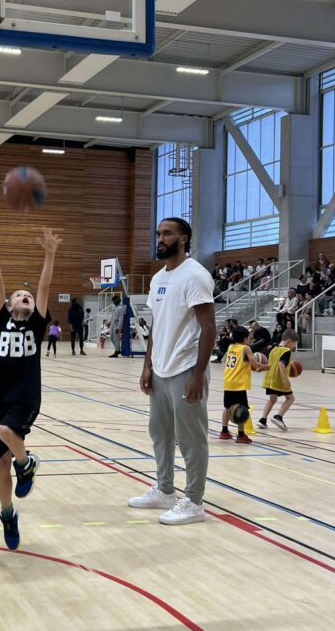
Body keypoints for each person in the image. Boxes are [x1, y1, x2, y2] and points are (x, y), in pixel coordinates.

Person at [0, 227, 60, 550]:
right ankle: (8, 514)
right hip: (1, 397)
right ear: (8, 306)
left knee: (6, 430)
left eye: (29, 296)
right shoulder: (0, 321)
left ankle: (26, 464)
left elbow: (44, 285)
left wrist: (50, 254)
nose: (26, 296)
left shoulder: (36, 324)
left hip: (26, 396)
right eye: (19, 295)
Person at [128, 217, 216, 526]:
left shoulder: (195, 276)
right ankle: (165, 490)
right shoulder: (158, 279)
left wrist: (198, 375)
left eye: (167, 233)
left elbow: (209, 328)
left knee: (191, 439)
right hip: (160, 369)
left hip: (186, 368)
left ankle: (194, 501)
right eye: (158, 233)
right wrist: (147, 364)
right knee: (160, 433)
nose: (161, 238)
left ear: (184, 238)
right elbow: (156, 325)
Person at [219, 325, 263, 444]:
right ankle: (241, 435)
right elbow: (255, 364)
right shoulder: (246, 348)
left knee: (227, 407)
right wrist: (266, 366)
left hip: (228, 382)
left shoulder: (231, 347)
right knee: (242, 409)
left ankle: (224, 431)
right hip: (239, 384)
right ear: (245, 338)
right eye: (248, 338)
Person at [257, 329, 299, 432]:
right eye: (294, 344)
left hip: (269, 378)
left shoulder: (273, 349)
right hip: (279, 379)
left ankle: (263, 420)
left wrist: (261, 369)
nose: (294, 347)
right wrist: (286, 379)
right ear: (288, 341)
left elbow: (270, 363)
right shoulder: (286, 351)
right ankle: (278, 417)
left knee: (272, 400)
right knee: (290, 398)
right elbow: (281, 364)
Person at [107, 294, 125, 358]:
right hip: (112, 324)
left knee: (116, 338)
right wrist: (110, 322)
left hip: (117, 325)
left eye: (114, 301)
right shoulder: (114, 307)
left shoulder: (120, 308)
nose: (113, 302)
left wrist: (118, 327)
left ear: (117, 300)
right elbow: (112, 316)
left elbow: (121, 318)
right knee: (111, 337)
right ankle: (117, 349)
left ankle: (116, 351)